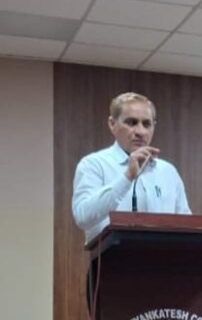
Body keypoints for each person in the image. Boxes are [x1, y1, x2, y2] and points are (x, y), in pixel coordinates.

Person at [72, 92, 191, 244]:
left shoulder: (168, 172)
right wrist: (127, 177)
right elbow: (83, 217)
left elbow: (186, 224)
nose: (140, 132)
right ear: (112, 124)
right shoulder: (93, 164)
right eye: (131, 123)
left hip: (163, 257)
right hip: (112, 257)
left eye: (146, 124)